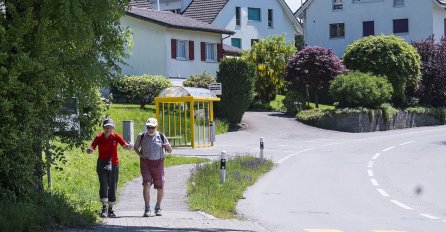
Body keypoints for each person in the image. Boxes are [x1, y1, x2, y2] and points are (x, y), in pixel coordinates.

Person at [86, 118, 133, 218]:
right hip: (102, 164)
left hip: (114, 164)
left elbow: (124, 145)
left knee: (112, 185)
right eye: (106, 127)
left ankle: (111, 209)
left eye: (110, 128)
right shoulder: (99, 137)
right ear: (103, 128)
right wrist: (89, 150)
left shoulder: (116, 137)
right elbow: (92, 147)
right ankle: (104, 208)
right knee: (103, 184)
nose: (108, 129)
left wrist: (129, 146)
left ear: (113, 128)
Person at [134, 117, 172, 217]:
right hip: (145, 163)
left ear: (156, 127)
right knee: (146, 183)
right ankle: (147, 208)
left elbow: (170, 150)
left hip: (158, 163)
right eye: (148, 127)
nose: (150, 129)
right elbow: (135, 147)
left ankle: (158, 207)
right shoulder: (141, 136)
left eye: (152, 127)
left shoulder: (161, 136)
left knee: (160, 186)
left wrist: (168, 147)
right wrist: (140, 155)